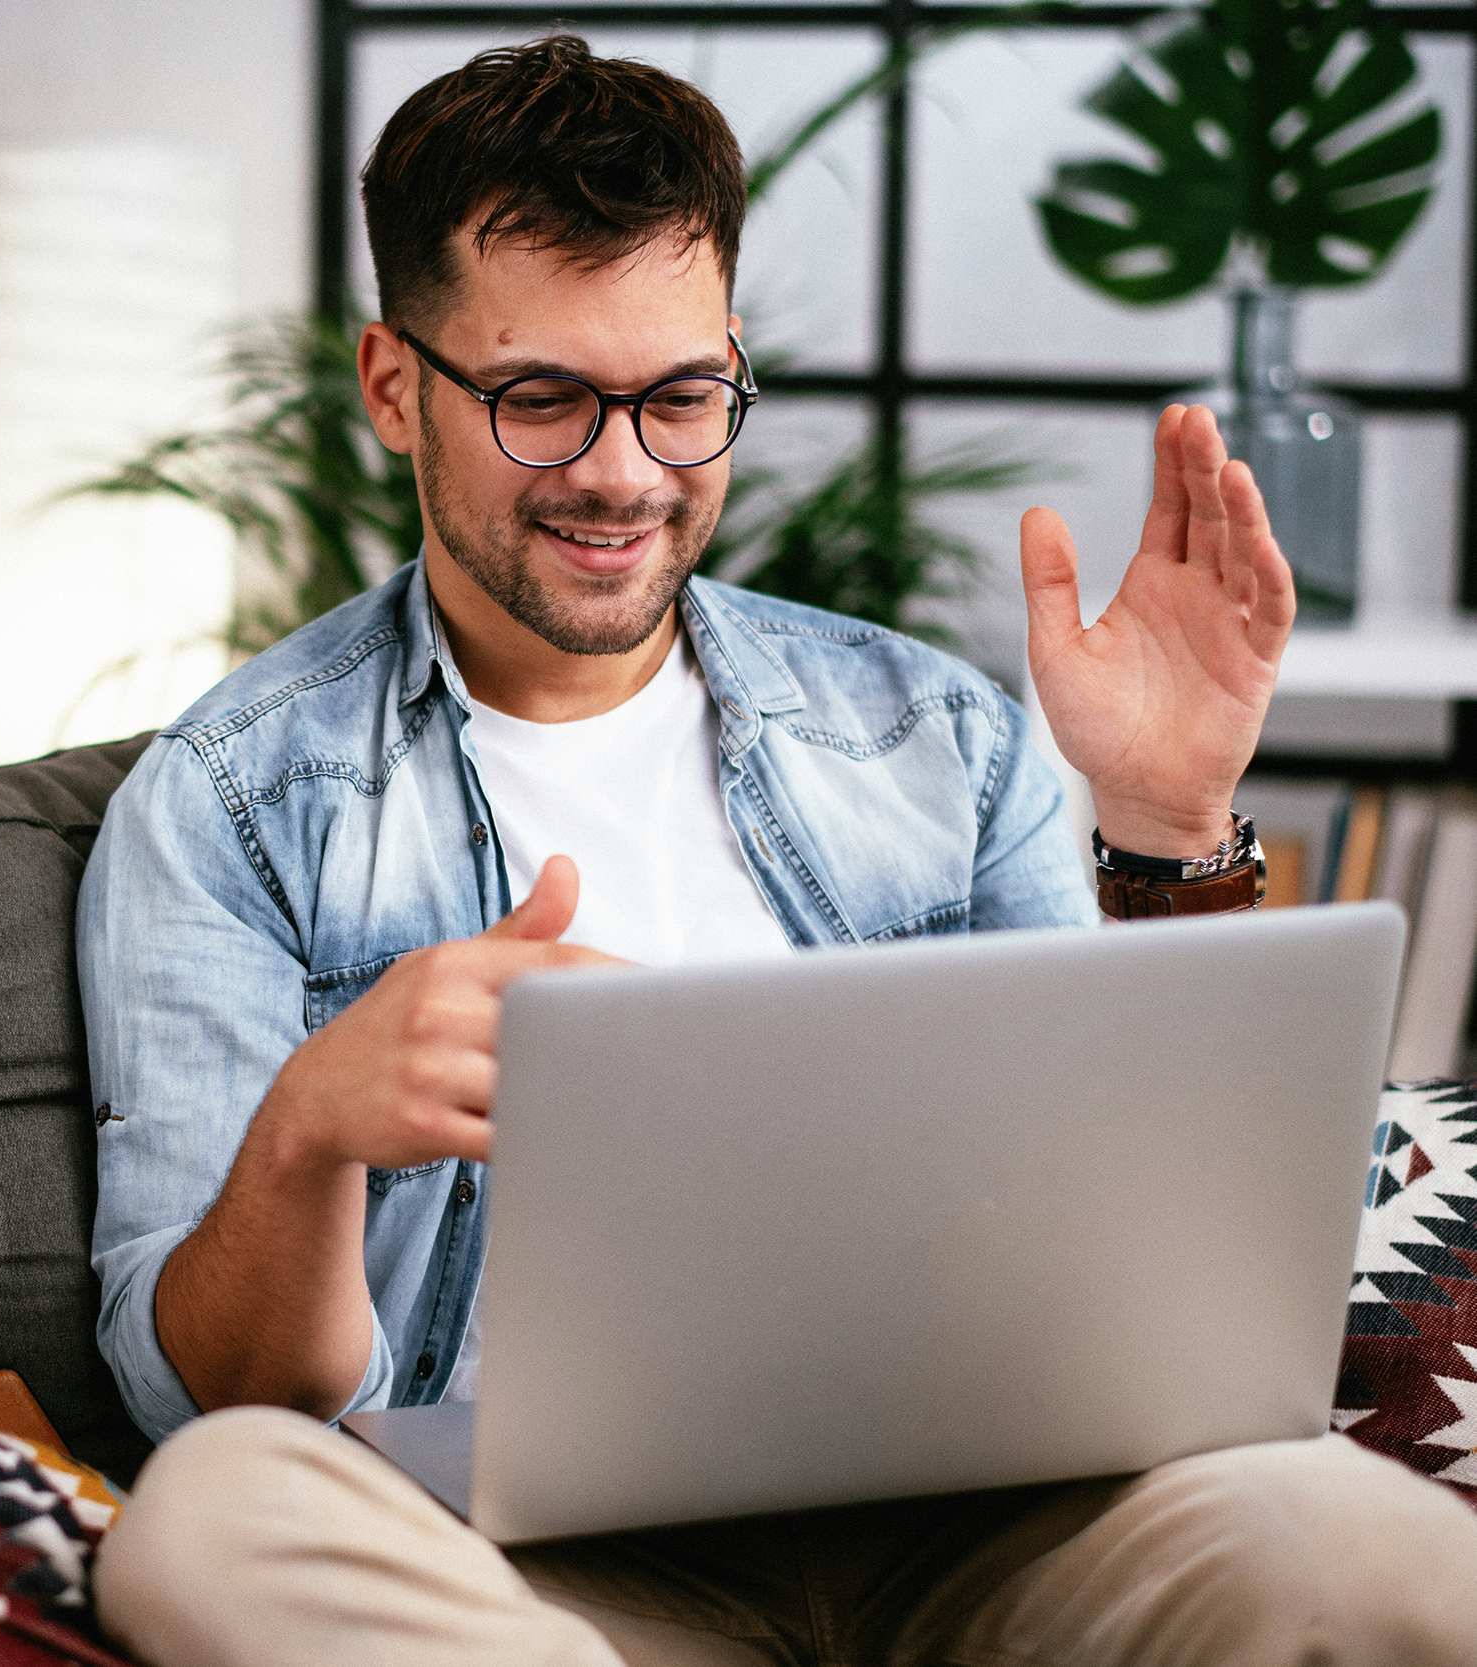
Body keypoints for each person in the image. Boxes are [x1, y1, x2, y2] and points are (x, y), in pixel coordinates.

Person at [74, 35, 1477, 1667]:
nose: (621, 473)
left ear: (732, 363)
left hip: (974, 1527)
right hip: (534, 1584)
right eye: (541, 401)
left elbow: (1143, 1270)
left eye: (680, 399)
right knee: (213, 1516)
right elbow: (210, 1398)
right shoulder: (233, 800)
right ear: (397, 385)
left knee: (1380, 1544)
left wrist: (1166, 829)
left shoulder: (933, 737)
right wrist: (310, 1134)